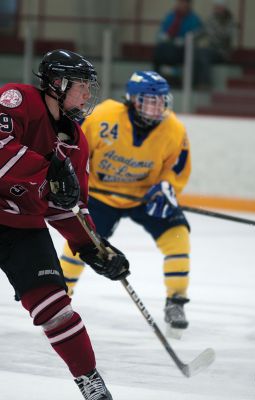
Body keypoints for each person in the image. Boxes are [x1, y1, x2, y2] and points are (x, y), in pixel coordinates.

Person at [0, 48, 130, 400]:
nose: (88, 95)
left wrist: (92, 246)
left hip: (21, 228)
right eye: (82, 86)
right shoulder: (17, 99)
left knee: (55, 307)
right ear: (57, 84)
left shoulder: (76, 143)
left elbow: (68, 207)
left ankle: (90, 382)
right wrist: (45, 169)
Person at [60, 71, 192, 338]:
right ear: (132, 99)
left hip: (146, 198)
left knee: (177, 235)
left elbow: (177, 166)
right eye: (148, 101)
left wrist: (168, 186)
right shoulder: (104, 116)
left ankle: (176, 302)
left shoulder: (174, 129)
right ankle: (60, 299)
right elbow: (77, 147)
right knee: (80, 244)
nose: (156, 108)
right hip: (101, 196)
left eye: (160, 101)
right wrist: (72, 181)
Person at [153, 0, 203, 80]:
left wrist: (184, 40)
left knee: (173, 51)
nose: (181, 5)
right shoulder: (171, 16)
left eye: (184, 3)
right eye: (180, 2)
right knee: (159, 50)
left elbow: (197, 32)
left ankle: (174, 74)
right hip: (170, 44)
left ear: (188, 4)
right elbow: (162, 29)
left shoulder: (193, 18)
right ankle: (156, 79)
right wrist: (163, 36)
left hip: (184, 47)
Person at [194, 0, 237, 89]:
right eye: (216, 7)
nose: (216, 9)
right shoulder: (211, 19)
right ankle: (194, 82)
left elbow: (225, 37)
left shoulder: (229, 20)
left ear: (224, 8)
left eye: (219, 7)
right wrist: (189, 37)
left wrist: (213, 32)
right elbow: (201, 32)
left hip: (222, 52)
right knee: (197, 52)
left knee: (204, 54)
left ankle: (205, 83)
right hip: (211, 50)